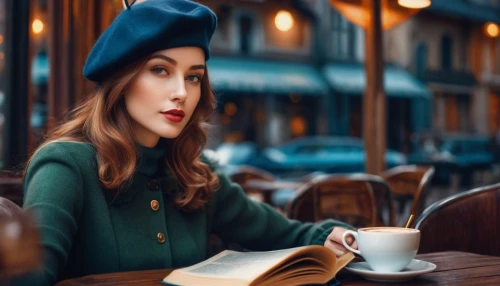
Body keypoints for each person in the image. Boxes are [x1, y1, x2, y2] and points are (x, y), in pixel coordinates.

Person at [19, 0, 357, 284]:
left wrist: (332, 236)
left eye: (193, 77)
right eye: (160, 70)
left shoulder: (196, 175)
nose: (181, 92)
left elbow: (286, 234)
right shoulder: (64, 166)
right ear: (121, 79)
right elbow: (29, 276)